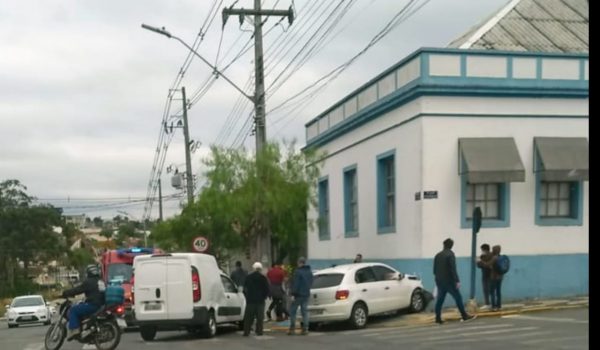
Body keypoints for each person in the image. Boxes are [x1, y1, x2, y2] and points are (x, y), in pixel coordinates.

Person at [433, 238, 476, 324]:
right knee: (458, 298)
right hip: (449, 281)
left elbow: (434, 270)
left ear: (444, 245)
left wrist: (438, 279)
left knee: (440, 300)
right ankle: (464, 315)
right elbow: (453, 269)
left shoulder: (437, 255)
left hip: (440, 281)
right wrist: (457, 280)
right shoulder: (450, 255)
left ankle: (438, 318)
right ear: (451, 246)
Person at [61, 264, 106, 340]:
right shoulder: (101, 281)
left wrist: (66, 292)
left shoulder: (89, 282)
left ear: (89, 272)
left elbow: (78, 289)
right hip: (101, 305)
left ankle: (75, 330)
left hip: (93, 305)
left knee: (73, 310)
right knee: (81, 306)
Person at [242, 262, 270, 336]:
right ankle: (259, 331)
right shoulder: (263, 278)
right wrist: (264, 297)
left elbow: (244, 289)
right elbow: (266, 289)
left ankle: (246, 331)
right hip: (260, 301)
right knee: (260, 318)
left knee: (248, 317)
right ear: (260, 269)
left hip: (250, 300)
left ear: (254, 269)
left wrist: (247, 296)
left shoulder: (248, 277)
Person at [288, 257, 313, 335]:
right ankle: (305, 329)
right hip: (306, 294)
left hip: (298, 295)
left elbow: (296, 284)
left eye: (298, 262)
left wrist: (292, 294)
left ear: (300, 263)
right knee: (304, 312)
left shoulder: (297, 272)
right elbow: (311, 282)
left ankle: (292, 329)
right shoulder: (309, 272)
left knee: (292, 311)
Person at [482, 245, 504, 311]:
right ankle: (499, 306)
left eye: (493, 249)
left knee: (492, 292)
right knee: (498, 292)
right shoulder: (501, 257)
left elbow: (487, 264)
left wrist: (480, 261)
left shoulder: (495, 258)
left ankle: (493, 306)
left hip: (494, 277)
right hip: (500, 277)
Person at [476, 243, 493, 308]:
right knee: (492, 289)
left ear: (484, 249)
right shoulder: (492, 255)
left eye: (482, 250)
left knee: (486, 289)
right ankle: (493, 303)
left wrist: (478, 261)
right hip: (492, 274)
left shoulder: (483, 256)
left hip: (485, 274)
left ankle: (487, 303)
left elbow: (479, 265)